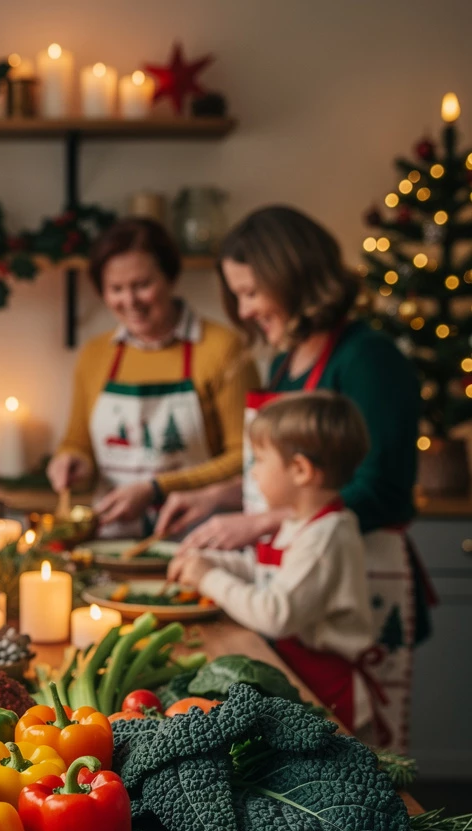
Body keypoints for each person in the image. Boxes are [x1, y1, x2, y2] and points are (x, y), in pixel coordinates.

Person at [157, 205, 427, 751]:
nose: (244, 310)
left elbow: (379, 486)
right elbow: (283, 471)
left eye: (251, 292)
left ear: (293, 274)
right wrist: (214, 497)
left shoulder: (367, 358)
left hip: (359, 574)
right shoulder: (286, 363)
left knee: (367, 751)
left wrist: (262, 522)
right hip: (292, 574)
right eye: (238, 296)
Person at [169, 392, 378, 735]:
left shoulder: (326, 536)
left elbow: (276, 614)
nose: (252, 472)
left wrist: (208, 578)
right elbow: (261, 572)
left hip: (326, 690)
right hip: (296, 673)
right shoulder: (300, 522)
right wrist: (207, 561)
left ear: (300, 470)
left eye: (259, 460)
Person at [46, 217, 258, 535]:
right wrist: (71, 461)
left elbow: (246, 456)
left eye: (142, 285)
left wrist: (155, 489)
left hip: (200, 535)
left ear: (170, 278)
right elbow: (78, 442)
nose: (130, 301)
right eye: (116, 289)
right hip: (112, 535)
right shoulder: (95, 354)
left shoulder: (222, 349)